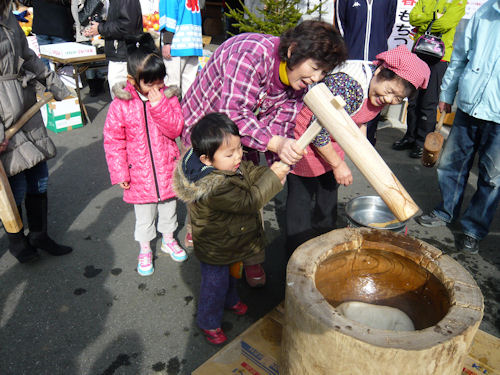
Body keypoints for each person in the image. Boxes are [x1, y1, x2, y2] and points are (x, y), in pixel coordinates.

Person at [180, 20, 348, 287]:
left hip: (245, 134)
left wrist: (275, 170)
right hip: (206, 125)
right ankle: (197, 230)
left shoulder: (299, 84)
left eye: (322, 72)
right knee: (205, 192)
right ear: (293, 51)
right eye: (315, 68)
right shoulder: (251, 54)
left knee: (247, 191)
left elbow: (280, 126)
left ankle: (251, 257)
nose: (315, 78)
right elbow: (233, 115)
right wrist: (276, 144)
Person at [287, 45, 431, 254]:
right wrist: (338, 164)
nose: (390, 100)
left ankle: (323, 250)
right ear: (381, 71)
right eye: (390, 92)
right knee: (300, 203)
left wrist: (362, 151)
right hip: (306, 140)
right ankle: (296, 257)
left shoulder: (378, 88)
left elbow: (358, 119)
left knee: (327, 199)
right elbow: (319, 131)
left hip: (333, 140)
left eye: (398, 99)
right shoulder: (349, 85)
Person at [173, 113, 289, 344]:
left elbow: (249, 171)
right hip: (216, 248)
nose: (238, 156)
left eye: (239, 148)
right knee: (214, 286)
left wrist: (267, 174)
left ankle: (230, 299)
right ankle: (209, 321)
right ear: (206, 159)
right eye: (230, 153)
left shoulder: (226, 165)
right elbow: (249, 202)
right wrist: (273, 179)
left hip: (230, 239)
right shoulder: (213, 186)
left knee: (231, 276)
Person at [416, 0, 500, 255]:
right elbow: (461, 56)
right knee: (451, 164)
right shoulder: (487, 11)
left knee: (492, 178)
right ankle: (445, 211)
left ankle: (473, 229)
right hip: (468, 104)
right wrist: (448, 92)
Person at [103, 33, 186, 277]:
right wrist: (120, 172)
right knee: (144, 216)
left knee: (169, 208)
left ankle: (169, 239)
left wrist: (159, 105)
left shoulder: (167, 98)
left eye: (160, 80)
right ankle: (145, 248)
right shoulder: (121, 104)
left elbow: (175, 129)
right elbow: (113, 140)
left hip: (167, 167)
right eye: (149, 83)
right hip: (138, 173)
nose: (156, 87)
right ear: (132, 80)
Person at [0, 0, 73, 263]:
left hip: (26, 105)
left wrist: (54, 83)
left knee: (39, 174)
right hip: (4, 115)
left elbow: (28, 56)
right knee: (15, 183)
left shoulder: (8, 15)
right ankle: (17, 241)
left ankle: (39, 234)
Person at [392, 0, 466, 158]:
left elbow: (445, 24)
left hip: (439, 57)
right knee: (413, 100)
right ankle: (410, 137)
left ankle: (421, 142)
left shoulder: (458, 1)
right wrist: (434, 17)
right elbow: (413, 18)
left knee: (428, 102)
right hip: (418, 52)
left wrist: (424, 22)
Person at [335, 0, 398, 146]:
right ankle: (338, 146)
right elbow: (340, 25)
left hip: (375, 63)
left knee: (372, 107)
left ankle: (367, 147)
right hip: (350, 62)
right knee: (344, 106)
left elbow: (388, 26)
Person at [84, 0, 142, 98]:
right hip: (120, 53)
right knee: (121, 101)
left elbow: (127, 26)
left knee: (123, 100)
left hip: (123, 55)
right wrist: (99, 25)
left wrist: (101, 28)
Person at [159, 0, 202, 97]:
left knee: (171, 86)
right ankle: (188, 111)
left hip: (177, 44)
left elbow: (171, 15)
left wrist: (167, 42)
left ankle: (171, 111)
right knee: (189, 86)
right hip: (193, 43)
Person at [30, 0, 75, 67]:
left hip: (41, 25)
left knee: (45, 61)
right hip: (60, 25)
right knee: (64, 62)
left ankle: (47, 77)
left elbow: (25, 2)